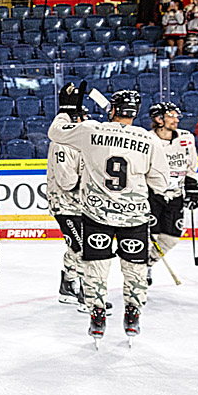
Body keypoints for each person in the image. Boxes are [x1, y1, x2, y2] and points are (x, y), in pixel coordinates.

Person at [46, 87, 170, 343]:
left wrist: (66, 110)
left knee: (96, 269)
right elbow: (161, 183)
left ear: (112, 110)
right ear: (135, 113)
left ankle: (97, 313)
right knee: (135, 268)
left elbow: (55, 133)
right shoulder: (150, 140)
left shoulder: (91, 130)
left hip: (96, 215)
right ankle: (133, 311)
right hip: (134, 217)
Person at [147, 102, 198, 283]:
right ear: (159, 119)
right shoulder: (147, 140)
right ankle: (141, 269)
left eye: (177, 115)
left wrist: (192, 186)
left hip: (176, 195)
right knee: (149, 236)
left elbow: (191, 165)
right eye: (171, 115)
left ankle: (148, 262)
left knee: (171, 238)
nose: (176, 118)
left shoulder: (186, 138)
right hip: (153, 195)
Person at [47, 106, 88, 309]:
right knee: (82, 247)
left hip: (78, 206)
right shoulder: (62, 144)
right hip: (65, 206)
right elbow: (66, 181)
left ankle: (68, 284)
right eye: (84, 117)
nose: (87, 120)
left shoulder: (77, 144)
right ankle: (86, 293)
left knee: (75, 245)